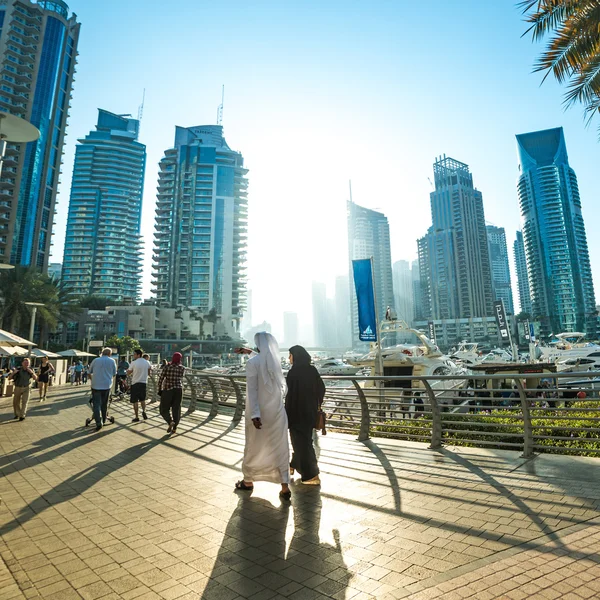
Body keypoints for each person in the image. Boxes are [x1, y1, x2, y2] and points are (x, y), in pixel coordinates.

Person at [235, 332, 291, 500]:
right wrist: (250, 352)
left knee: (254, 446)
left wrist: (255, 413)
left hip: (259, 413)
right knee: (280, 447)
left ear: (258, 345)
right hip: (278, 413)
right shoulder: (275, 362)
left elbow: (252, 390)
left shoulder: (253, 363)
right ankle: (284, 486)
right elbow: (264, 362)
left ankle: (248, 481)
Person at [285, 345, 325, 485]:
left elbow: (289, 396)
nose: (289, 358)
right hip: (309, 412)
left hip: (295, 413)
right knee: (304, 441)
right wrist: (315, 403)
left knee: (302, 443)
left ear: (295, 356)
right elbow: (321, 388)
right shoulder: (312, 370)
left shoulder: (293, 373)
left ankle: (312, 475)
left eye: (290, 355)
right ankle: (293, 464)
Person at [88, 348, 117, 432]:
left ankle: (98, 422)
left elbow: (89, 372)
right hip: (107, 385)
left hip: (96, 385)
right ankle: (103, 420)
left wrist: (92, 380)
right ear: (109, 354)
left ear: (102, 353)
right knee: (104, 404)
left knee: (96, 404)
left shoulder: (95, 360)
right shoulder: (112, 361)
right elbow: (114, 373)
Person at [158, 352, 185, 433]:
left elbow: (161, 378)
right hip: (178, 389)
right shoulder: (182, 368)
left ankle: (170, 421)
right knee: (176, 409)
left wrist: (159, 389)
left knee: (163, 408)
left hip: (168, 389)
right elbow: (181, 377)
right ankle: (175, 428)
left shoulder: (167, 367)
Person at [127, 348, 152, 422]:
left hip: (135, 383)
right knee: (142, 399)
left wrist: (128, 372)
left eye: (134, 354)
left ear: (138, 355)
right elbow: (149, 370)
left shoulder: (133, 362)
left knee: (135, 401)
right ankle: (144, 411)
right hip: (143, 383)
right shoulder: (147, 362)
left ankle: (137, 416)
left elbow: (129, 372)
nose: (133, 355)